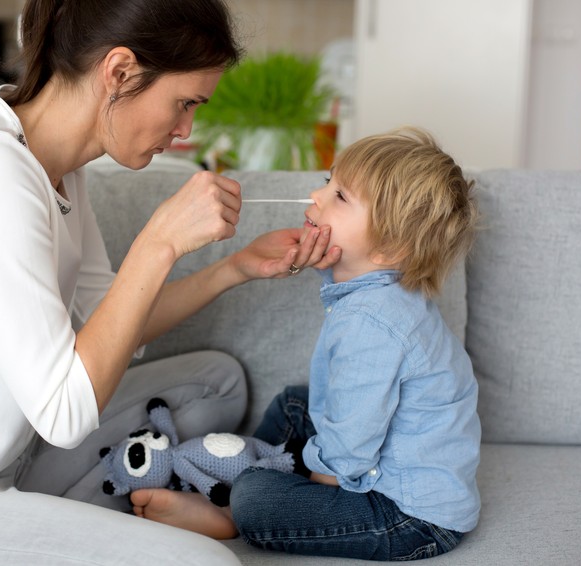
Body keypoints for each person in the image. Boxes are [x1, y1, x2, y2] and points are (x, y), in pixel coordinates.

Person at [0, 1, 341, 564]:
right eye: (184, 102)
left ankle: (69, 514)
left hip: (7, 461)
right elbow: (66, 414)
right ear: (119, 71)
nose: (186, 128)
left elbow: (112, 325)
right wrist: (159, 240)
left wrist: (234, 268)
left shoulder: (58, 166)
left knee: (218, 382)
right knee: (207, 564)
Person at [131, 126, 482, 561]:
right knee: (294, 404)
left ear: (390, 246)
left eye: (340, 197)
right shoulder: (375, 292)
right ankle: (247, 470)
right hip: (374, 459)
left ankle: (231, 506)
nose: (316, 196)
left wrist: (305, 502)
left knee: (257, 498)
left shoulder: (373, 324)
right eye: (327, 181)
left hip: (409, 516)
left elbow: (350, 448)